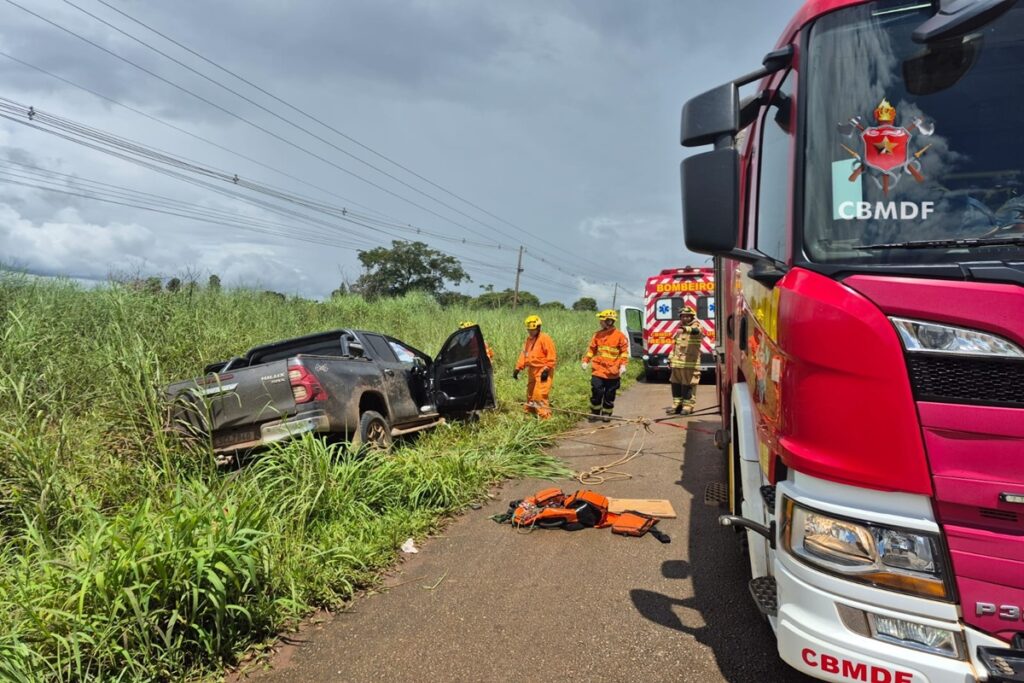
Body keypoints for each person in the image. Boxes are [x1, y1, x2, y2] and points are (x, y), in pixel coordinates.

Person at [581, 309, 629, 421]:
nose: (600, 322)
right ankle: (595, 412)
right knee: (597, 391)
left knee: (609, 394)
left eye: (601, 320)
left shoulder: (620, 336)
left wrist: (623, 365)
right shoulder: (597, 335)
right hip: (598, 370)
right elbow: (591, 350)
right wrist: (586, 361)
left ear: (609, 321)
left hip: (613, 371)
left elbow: (624, 352)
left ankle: (607, 413)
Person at [513, 314, 556, 419]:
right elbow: (524, 354)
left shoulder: (545, 338)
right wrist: (518, 367)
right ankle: (531, 411)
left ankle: (545, 417)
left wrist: (547, 368)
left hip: (543, 370)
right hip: (532, 370)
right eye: (529, 330)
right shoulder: (529, 340)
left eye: (533, 330)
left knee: (539, 394)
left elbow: (552, 355)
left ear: (538, 328)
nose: (530, 332)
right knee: (530, 392)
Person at [669, 305, 704, 415]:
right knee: (675, 384)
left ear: (692, 317)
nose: (685, 319)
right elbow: (675, 346)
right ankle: (677, 404)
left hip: (690, 364)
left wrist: (685, 329)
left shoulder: (697, 326)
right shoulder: (679, 329)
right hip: (677, 363)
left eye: (688, 317)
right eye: (683, 316)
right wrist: (670, 358)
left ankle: (688, 406)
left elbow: (696, 331)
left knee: (688, 384)